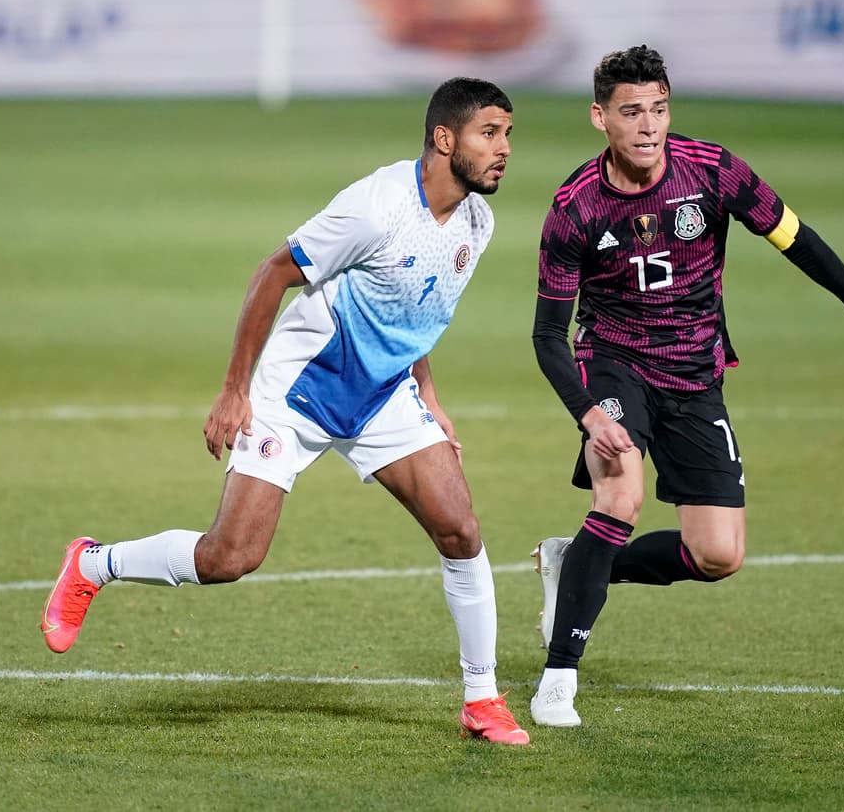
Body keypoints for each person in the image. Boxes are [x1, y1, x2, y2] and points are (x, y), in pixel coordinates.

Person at [40, 77, 529, 745]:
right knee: (229, 556)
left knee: (461, 529)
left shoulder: (478, 221)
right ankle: (93, 563)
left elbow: (415, 313)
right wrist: (236, 389)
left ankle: (482, 699)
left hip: (381, 394)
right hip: (297, 390)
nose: (504, 149)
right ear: (445, 139)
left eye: (508, 135)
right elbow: (272, 272)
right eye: (490, 133)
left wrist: (431, 400)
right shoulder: (375, 208)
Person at [528, 45, 844, 727]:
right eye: (631, 112)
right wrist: (591, 412)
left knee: (717, 554)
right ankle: (558, 679)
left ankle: (576, 563)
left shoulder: (712, 171)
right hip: (615, 362)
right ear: (600, 118)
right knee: (620, 493)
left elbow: (796, 237)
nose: (648, 125)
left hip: (695, 373)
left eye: (658, 108)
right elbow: (547, 334)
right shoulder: (575, 209)